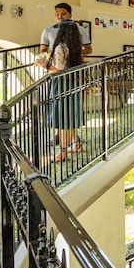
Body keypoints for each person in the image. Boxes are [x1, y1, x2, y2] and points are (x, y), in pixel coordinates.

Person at [35, 20, 85, 162]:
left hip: (61, 85)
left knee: (63, 120)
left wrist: (43, 65)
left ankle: (62, 153)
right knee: (68, 119)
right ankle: (72, 146)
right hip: (72, 83)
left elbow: (58, 71)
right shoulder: (75, 48)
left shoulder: (60, 48)